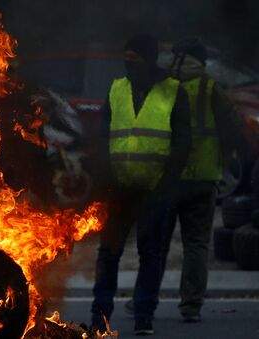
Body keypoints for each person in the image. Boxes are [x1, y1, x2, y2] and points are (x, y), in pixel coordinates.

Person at [90, 34, 191, 335]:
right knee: (108, 254)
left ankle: (144, 315)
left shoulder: (173, 91)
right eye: (126, 60)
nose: (129, 66)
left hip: (154, 189)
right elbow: (102, 136)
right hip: (119, 188)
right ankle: (100, 317)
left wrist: (166, 185)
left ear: (149, 60)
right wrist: (104, 180)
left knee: (150, 254)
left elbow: (183, 142)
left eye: (135, 60)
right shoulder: (117, 89)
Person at [148, 37, 245, 322]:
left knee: (157, 243)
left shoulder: (163, 89)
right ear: (201, 63)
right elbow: (234, 131)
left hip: (167, 179)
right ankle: (191, 306)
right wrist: (224, 162)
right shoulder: (212, 89)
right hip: (203, 178)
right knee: (197, 244)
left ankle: (146, 300)